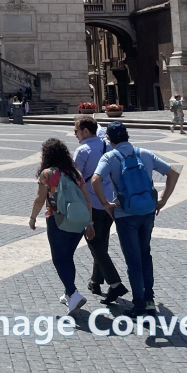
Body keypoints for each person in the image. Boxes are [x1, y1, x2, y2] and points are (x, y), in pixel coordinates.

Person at [92, 121, 180, 317]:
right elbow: (173, 173)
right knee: (145, 254)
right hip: (147, 211)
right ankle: (149, 300)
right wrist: (163, 200)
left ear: (110, 140)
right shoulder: (144, 153)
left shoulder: (110, 157)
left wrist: (105, 204)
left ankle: (139, 305)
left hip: (125, 214)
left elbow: (95, 180)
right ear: (127, 136)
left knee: (133, 260)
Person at [29, 137, 95, 312]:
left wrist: (33, 218)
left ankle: (73, 293)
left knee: (59, 259)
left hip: (57, 220)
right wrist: (89, 223)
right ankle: (68, 294)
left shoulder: (47, 174)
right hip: (78, 221)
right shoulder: (75, 173)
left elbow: (39, 199)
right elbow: (87, 200)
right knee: (68, 257)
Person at [72, 117, 126, 304]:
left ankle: (115, 283)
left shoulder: (83, 150)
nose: (75, 134)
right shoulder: (108, 146)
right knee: (101, 243)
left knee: (95, 244)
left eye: (76, 130)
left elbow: (75, 178)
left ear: (86, 131)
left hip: (92, 203)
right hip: (108, 201)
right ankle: (95, 281)